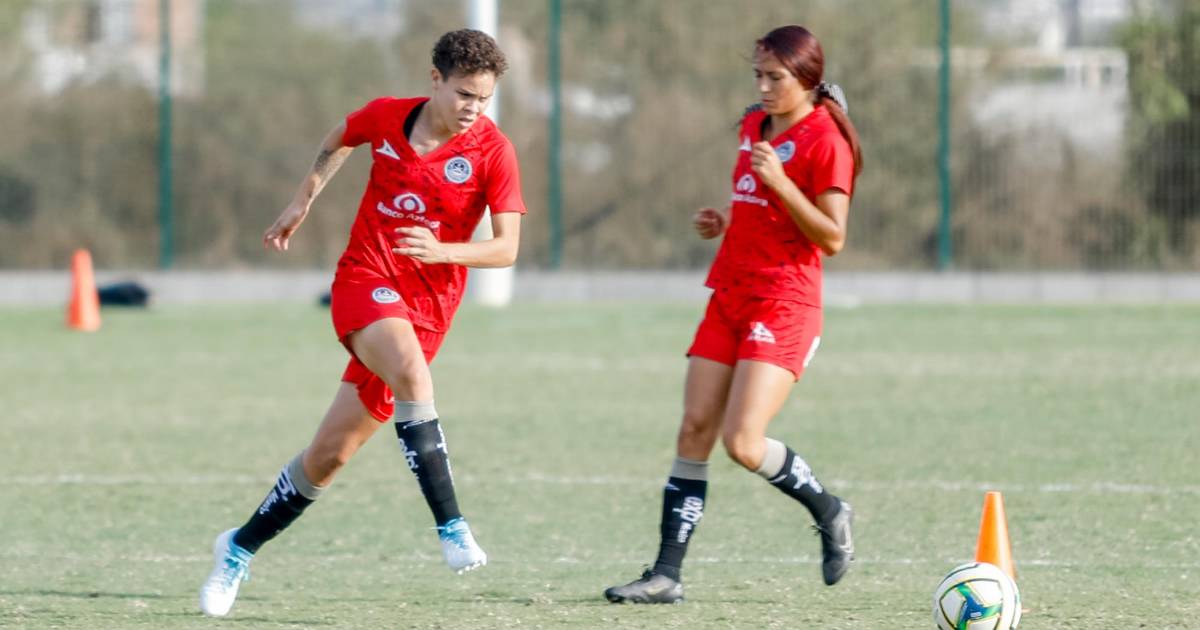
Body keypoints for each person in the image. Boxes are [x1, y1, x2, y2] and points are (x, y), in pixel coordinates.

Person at [199, 29, 526, 617]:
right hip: (365, 280)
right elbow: (338, 139)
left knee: (329, 455)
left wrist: (443, 252)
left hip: (428, 310)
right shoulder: (386, 116)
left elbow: (506, 249)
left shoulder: (494, 152)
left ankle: (238, 547)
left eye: (484, 98)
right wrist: (304, 198)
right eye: (464, 94)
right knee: (414, 378)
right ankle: (452, 526)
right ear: (435, 80)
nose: (474, 108)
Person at [604, 25, 863, 604]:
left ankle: (829, 509)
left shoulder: (826, 141)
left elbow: (832, 236)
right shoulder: (754, 126)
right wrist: (726, 217)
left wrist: (781, 185)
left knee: (743, 443)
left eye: (776, 78)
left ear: (808, 80)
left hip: (785, 301)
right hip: (729, 293)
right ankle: (666, 575)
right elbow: (756, 199)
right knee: (694, 428)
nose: (763, 88)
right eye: (758, 76)